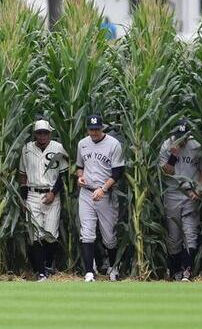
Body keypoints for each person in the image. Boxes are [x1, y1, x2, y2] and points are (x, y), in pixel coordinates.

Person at [76, 114, 125, 282]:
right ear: (87, 129)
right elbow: (79, 166)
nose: (94, 132)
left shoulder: (113, 144)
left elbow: (118, 172)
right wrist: (80, 177)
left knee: (109, 236)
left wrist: (103, 189)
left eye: (97, 129)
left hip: (106, 194)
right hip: (87, 193)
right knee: (87, 233)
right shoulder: (82, 144)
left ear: (102, 127)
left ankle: (113, 267)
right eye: (91, 129)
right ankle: (89, 271)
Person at [158, 118, 202, 282]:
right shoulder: (167, 145)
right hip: (172, 193)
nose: (182, 140)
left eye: (184, 136)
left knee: (190, 233)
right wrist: (173, 154)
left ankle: (187, 271)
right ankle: (174, 272)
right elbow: (167, 171)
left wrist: (199, 190)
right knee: (174, 237)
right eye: (179, 136)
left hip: (190, 196)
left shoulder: (196, 146)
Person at [18, 120, 69, 281]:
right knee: (36, 234)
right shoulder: (27, 149)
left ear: (50, 133)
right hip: (33, 194)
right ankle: (41, 272)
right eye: (39, 133)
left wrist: (53, 193)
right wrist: (23, 199)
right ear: (35, 134)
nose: (42, 136)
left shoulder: (57, 148)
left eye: (45, 133)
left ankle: (46, 264)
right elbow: (23, 175)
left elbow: (63, 174)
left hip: (52, 194)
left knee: (51, 234)